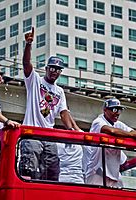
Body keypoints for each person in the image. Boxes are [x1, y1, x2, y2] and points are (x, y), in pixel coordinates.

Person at [20, 27, 81, 181]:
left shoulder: (59, 91)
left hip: (49, 135)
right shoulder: (35, 81)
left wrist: (72, 130)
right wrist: (28, 44)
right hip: (32, 133)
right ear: (46, 68)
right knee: (29, 170)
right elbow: (26, 64)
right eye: (52, 68)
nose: (54, 72)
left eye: (58, 70)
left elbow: (64, 112)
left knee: (52, 171)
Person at [85, 98, 136, 188]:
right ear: (105, 110)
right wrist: (130, 134)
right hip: (97, 174)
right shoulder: (98, 122)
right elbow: (111, 131)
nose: (118, 113)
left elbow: (133, 132)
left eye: (119, 110)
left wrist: (134, 134)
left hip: (113, 176)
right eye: (114, 109)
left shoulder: (118, 124)